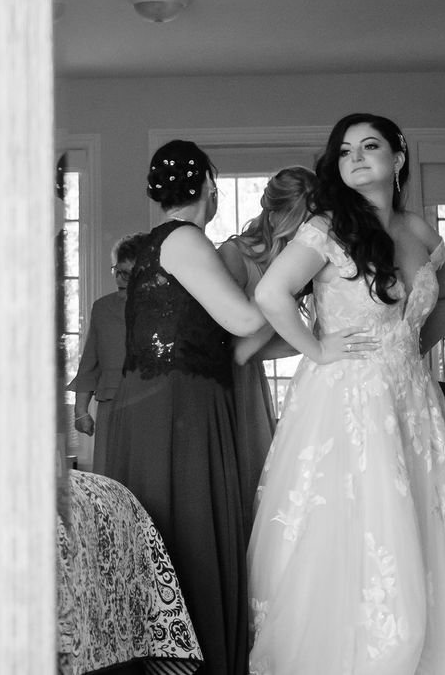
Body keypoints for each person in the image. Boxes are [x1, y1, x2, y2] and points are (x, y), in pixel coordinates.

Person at [245, 113, 445, 674]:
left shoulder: (419, 230)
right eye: (345, 150)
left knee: (431, 524)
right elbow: (273, 293)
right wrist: (319, 349)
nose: (356, 157)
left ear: (397, 160)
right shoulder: (326, 227)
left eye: (370, 146)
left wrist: (410, 347)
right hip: (347, 399)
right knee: (361, 521)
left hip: (412, 397)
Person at [99, 140, 278, 675]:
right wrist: (284, 286)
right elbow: (246, 321)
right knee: (187, 533)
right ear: (209, 188)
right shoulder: (184, 239)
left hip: (165, 403)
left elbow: (227, 335)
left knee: (170, 532)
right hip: (177, 409)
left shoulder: (161, 243)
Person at [215, 166, 317, 500]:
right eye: (297, 216)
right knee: (229, 481)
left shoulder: (302, 264)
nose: (305, 228)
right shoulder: (232, 255)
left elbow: (283, 346)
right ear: (272, 213)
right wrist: (279, 298)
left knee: (257, 481)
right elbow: (231, 348)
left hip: (249, 378)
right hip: (221, 381)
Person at [69, 234, 139, 472]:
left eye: (127, 274)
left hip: (151, 403)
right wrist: (81, 411)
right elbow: (90, 362)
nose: (120, 279)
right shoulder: (102, 308)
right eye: (116, 271)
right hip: (111, 402)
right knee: (112, 474)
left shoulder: (161, 308)